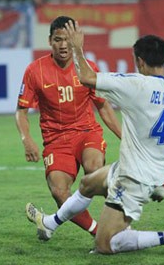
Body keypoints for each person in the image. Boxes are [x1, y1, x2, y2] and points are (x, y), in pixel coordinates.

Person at [26, 20, 164, 258]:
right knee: (88, 184)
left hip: (134, 178)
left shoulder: (134, 85)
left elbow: (85, 77)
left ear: (140, 62)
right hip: (148, 168)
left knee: (105, 245)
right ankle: (50, 223)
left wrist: (77, 48)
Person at [16, 16, 121, 239]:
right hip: (56, 140)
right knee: (59, 191)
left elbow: (103, 108)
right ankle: (98, 232)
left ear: (76, 40)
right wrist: (27, 139)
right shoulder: (35, 71)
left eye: (67, 40)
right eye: (58, 39)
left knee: (94, 170)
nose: (63, 45)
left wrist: (125, 137)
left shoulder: (87, 68)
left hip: (86, 132)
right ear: (50, 41)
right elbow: (21, 111)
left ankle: (115, 222)